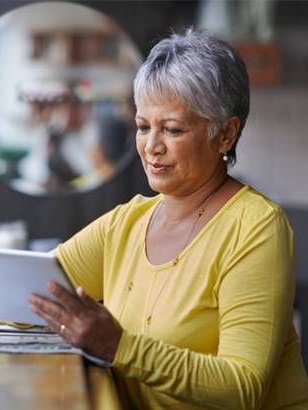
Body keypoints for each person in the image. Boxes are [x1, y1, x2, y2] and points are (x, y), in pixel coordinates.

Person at [28, 28, 308, 409]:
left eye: (173, 129)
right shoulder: (126, 223)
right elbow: (29, 293)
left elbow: (243, 386)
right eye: (143, 127)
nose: (152, 147)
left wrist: (118, 346)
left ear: (226, 134)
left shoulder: (256, 228)